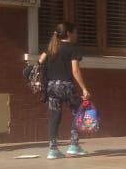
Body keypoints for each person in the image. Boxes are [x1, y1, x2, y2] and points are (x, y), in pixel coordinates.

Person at [38, 21, 91, 159]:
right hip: (65, 85)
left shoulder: (50, 47)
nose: (76, 35)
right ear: (69, 33)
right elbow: (75, 70)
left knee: (54, 116)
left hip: (51, 87)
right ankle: (73, 145)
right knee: (79, 111)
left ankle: (53, 149)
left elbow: (40, 61)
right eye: (75, 32)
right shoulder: (72, 48)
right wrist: (84, 88)